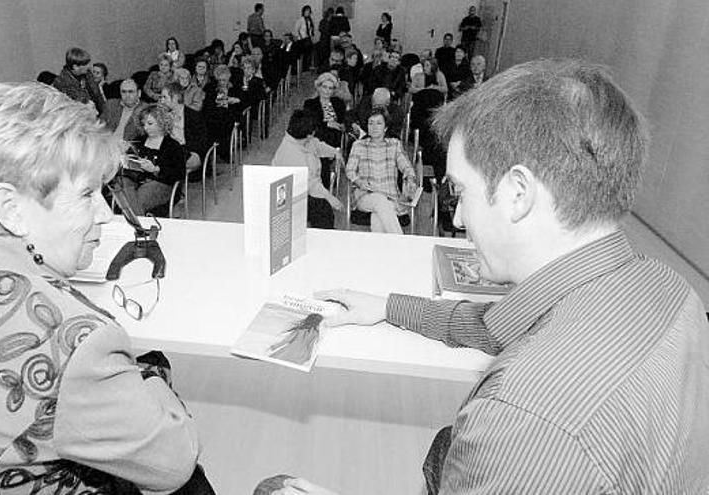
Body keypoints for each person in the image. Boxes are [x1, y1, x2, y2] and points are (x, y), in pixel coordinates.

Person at [275, 59, 709, 494]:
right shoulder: (671, 288)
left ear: (518, 194)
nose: (459, 217)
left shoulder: (520, 412)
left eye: (461, 191)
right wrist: (389, 307)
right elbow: (498, 325)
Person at [0, 81, 212, 494]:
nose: (105, 214)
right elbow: (174, 462)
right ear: (10, 208)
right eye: (87, 194)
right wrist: (152, 380)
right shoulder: (77, 342)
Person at [345, 109, 416, 234]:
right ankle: (401, 243)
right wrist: (358, 181)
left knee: (379, 217)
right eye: (370, 123)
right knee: (380, 201)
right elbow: (349, 170)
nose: (374, 127)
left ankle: (381, 250)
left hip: (391, 197)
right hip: (365, 195)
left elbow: (406, 167)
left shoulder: (394, 144)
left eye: (378, 123)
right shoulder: (358, 145)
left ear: (385, 127)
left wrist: (410, 178)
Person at [271, 110, 344, 229]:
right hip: (290, 195)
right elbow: (310, 184)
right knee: (322, 208)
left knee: (324, 173)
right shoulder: (291, 154)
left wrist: (335, 153)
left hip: (307, 184)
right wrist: (330, 198)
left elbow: (316, 145)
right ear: (308, 134)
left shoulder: (303, 139)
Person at [118, 104, 187, 216]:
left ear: (161, 123)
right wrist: (123, 154)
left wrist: (155, 169)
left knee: (133, 201)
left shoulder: (172, 146)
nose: (146, 127)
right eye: (143, 124)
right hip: (135, 179)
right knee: (121, 184)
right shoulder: (139, 141)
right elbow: (129, 164)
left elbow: (179, 173)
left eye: (150, 124)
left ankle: (135, 222)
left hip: (162, 183)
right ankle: (138, 221)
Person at [303, 72, 347, 187]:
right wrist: (328, 124)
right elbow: (310, 122)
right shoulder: (310, 104)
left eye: (331, 88)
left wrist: (341, 126)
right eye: (324, 87)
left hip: (334, 137)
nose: (327, 91)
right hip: (317, 136)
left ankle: (324, 186)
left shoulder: (339, 103)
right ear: (318, 87)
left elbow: (344, 121)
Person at [159, 82, 209, 180]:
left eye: (165, 97)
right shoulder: (162, 116)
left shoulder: (194, 116)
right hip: (171, 151)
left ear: (176, 98)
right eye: (161, 97)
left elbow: (201, 143)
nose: (162, 101)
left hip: (189, 152)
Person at [52, 47, 106, 118]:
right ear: (75, 67)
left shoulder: (88, 74)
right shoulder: (61, 83)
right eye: (85, 64)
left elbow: (98, 96)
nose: (89, 67)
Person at [107, 78, 149, 143]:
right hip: (106, 144)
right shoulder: (111, 104)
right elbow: (99, 127)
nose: (127, 95)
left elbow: (145, 135)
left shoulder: (145, 109)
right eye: (123, 92)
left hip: (127, 147)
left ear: (139, 93)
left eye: (131, 91)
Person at [293, 5, 316, 70]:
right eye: (306, 11)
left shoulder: (309, 21)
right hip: (301, 40)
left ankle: (307, 66)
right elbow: (295, 30)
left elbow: (310, 31)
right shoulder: (300, 20)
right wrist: (298, 38)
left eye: (309, 11)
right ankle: (302, 67)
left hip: (307, 39)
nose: (307, 12)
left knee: (310, 52)